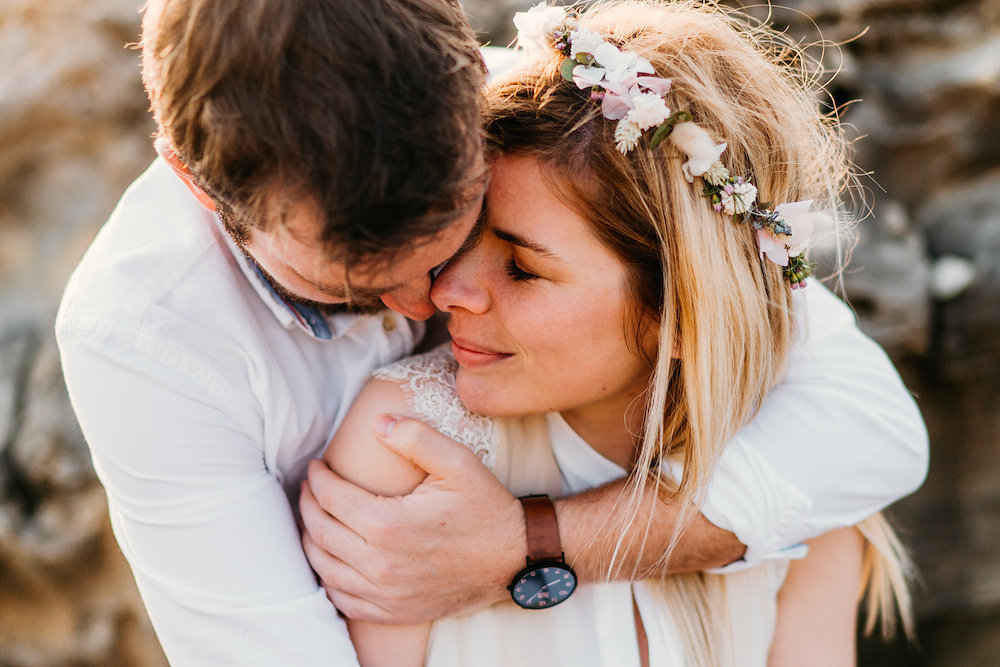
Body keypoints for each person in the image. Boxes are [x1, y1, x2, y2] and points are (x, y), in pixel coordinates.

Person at [55, 0, 925, 664]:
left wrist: (528, 543)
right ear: (198, 187)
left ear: (475, 75)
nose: (428, 304)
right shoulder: (146, 339)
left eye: (463, 233)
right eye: (349, 286)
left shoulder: (582, 131)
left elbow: (863, 421)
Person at [317, 2, 916, 665]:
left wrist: (524, 542)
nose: (444, 290)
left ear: (679, 317)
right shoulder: (405, 447)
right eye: (458, 236)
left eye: (521, 267)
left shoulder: (809, 480)